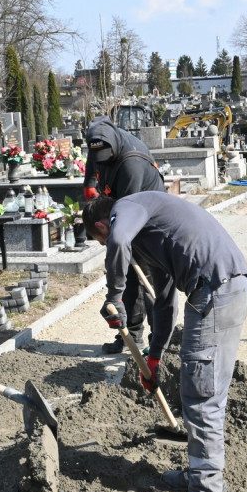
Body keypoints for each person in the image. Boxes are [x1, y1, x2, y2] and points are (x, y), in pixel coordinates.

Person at [83, 192, 247, 492]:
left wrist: (114, 297)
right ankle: (202, 475)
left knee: (202, 396)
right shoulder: (153, 233)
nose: (106, 246)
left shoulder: (127, 209)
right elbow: (163, 301)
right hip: (221, 289)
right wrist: (155, 356)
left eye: (99, 239)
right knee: (203, 391)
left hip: (217, 291)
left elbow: (117, 240)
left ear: (102, 224)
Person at [82, 115, 165, 354]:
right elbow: (92, 163)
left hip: (148, 217)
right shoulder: (99, 141)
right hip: (122, 206)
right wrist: (89, 183)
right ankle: (131, 337)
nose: (99, 161)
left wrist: (117, 243)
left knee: (147, 279)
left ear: (113, 148)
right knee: (127, 277)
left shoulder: (132, 163)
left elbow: (126, 213)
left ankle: (158, 342)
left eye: (104, 159)